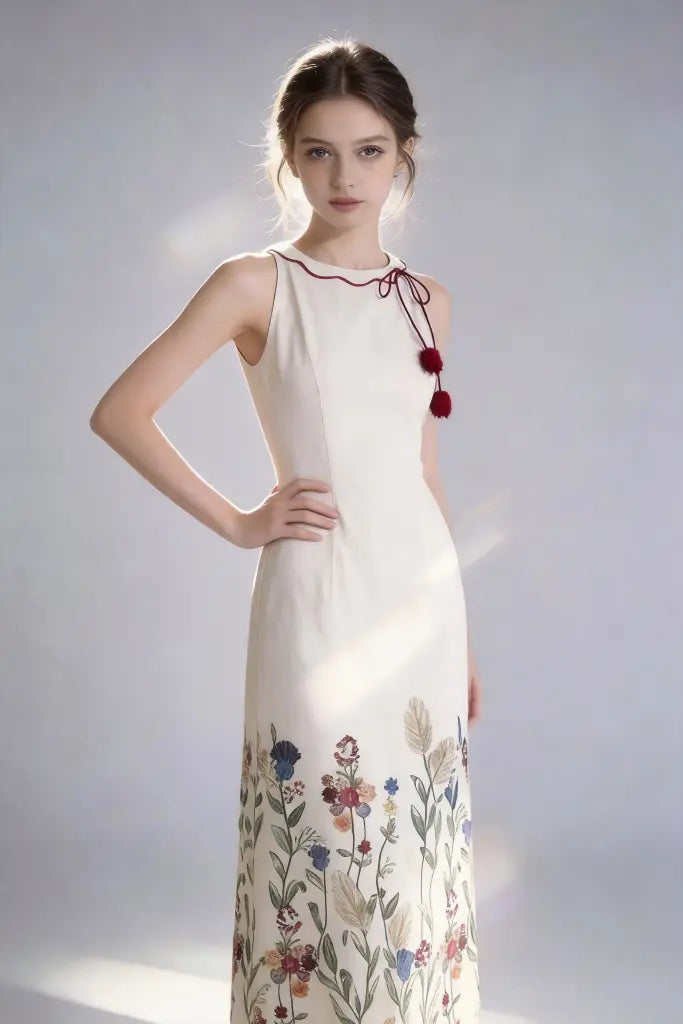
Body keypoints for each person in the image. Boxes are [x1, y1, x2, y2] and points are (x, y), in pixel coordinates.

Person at [90, 35, 483, 1024]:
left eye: (367, 149)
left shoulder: (423, 302)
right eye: (317, 151)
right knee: (318, 836)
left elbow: (421, 470)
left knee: (411, 854)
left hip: (418, 605)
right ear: (286, 158)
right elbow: (121, 411)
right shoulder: (254, 284)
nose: (342, 174)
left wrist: (463, 638)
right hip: (315, 599)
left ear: (402, 157)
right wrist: (238, 520)